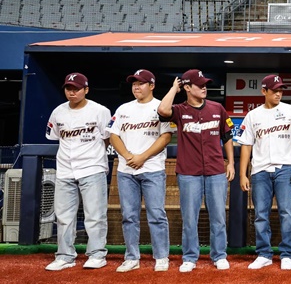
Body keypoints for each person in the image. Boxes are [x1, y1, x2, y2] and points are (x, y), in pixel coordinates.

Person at [157, 69, 235, 272]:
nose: (204, 87)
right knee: (189, 217)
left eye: (205, 84)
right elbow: (163, 110)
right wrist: (174, 88)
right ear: (187, 88)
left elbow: (228, 138)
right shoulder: (180, 110)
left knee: (218, 216)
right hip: (188, 172)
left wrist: (231, 163)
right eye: (199, 85)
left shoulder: (217, 108)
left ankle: (219, 255)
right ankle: (190, 257)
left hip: (216, 170)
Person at [237, 74, 291, 271]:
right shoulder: (253, 115)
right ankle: (264, 254)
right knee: (261, 214)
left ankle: (287, 254)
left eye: (280, 90)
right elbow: (246, 145)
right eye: (274, 90)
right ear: (264, 91)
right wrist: (243, 173)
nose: (278, 93)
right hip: (260, 170)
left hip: (285, 168)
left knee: (287, 213)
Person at [108, 69, 174, 273]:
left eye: (141, 83)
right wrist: (129, 156)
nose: (136, 86)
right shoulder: (123, 108)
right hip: (127, 170)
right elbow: (113, 135)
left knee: (156, 214)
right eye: (134, 83)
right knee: (129, 215)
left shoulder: (160, 107)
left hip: (152, 168)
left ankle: (162, 256)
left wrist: (142, 157)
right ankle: (131, 257)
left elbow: (166, 137)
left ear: (151, 86)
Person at [44, 73, 112, 271]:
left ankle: (97, 254)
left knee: (95, 215)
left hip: (92, 167)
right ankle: (65, 255)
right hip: (65, 169)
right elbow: (55, 137)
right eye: (68, 88)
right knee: (64, 216)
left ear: (86, 90)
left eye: (76, 88)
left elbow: (108, 138)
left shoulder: (100, 111)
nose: (72, 92)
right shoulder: (58, 112)